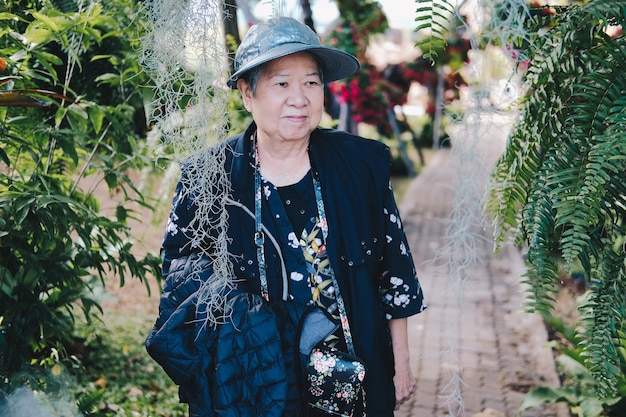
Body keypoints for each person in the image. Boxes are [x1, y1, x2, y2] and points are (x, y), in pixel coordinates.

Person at [146, 16, 426, 417]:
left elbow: (393, 271)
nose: (300, 98)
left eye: (311, 83)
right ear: (247, 92)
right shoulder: (208, 177)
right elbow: (180, 279)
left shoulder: (361, 166)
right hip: (252, 383)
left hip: (352, 376)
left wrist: (401, 364)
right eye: (281, 83)